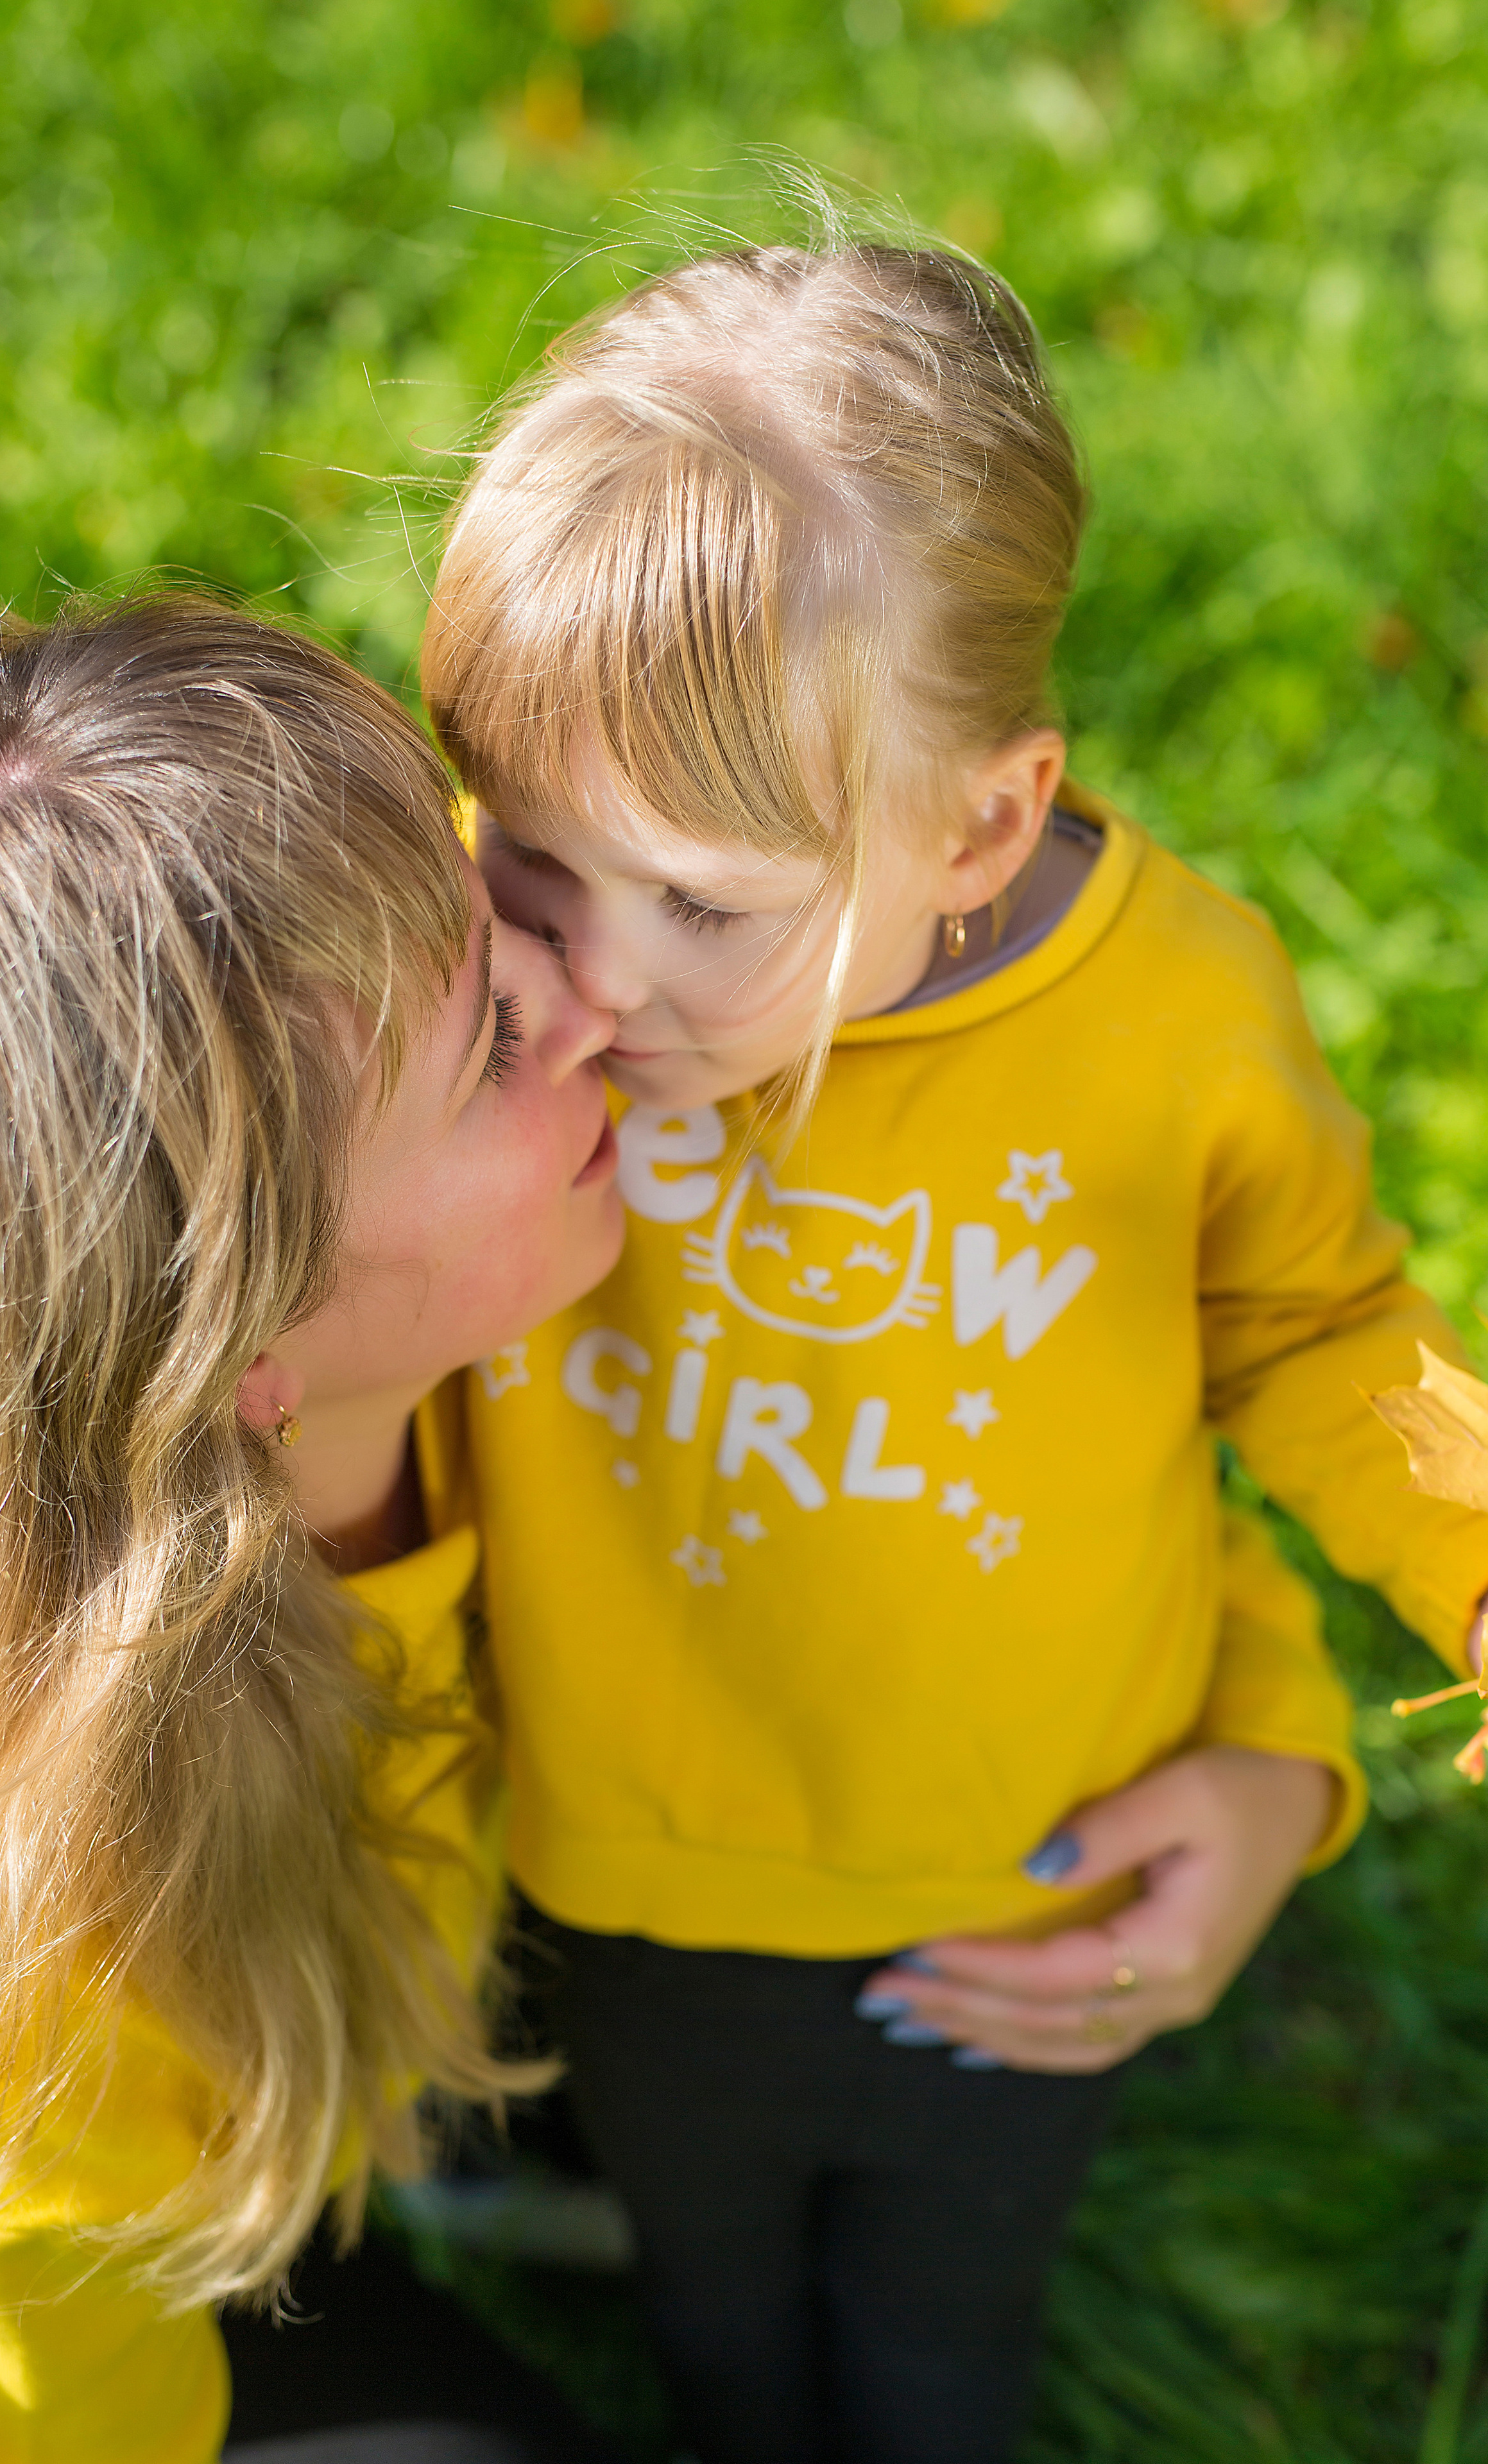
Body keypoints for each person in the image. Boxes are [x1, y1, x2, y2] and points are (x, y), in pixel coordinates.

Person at [419, 239, 1488, 2463]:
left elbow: (1313, 1321)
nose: (593, 988)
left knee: (935, 2358)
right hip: (625, 1857)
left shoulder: (1170, 1024)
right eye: (532, 856)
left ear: (982, 822)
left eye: (705, 904)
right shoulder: (463, 979)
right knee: (720, 2318)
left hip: (1031, 1885)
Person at [0, 593, 625, 2464]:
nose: (600, 989)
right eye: (495, 1049)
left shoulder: (323, 982)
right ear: (243, 1349)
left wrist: (1256, 1738)